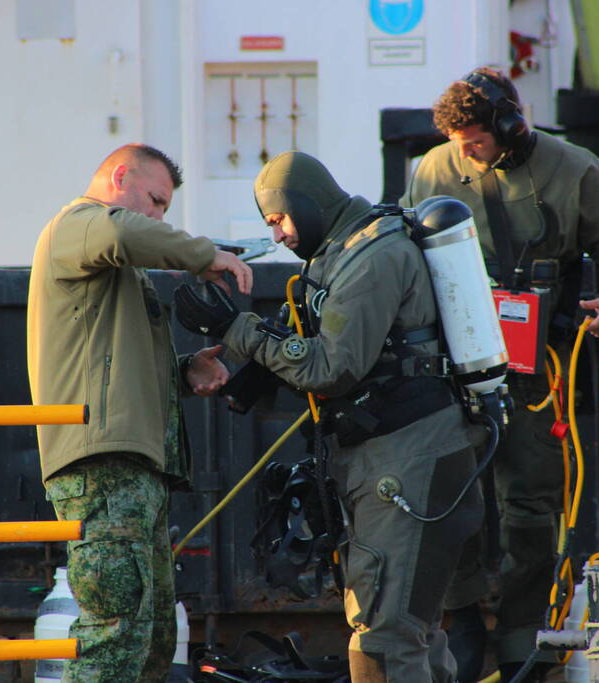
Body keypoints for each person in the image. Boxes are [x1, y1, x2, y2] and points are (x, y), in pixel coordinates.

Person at [175, 150, 484, 682]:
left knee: (387, 636)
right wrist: (251, 374)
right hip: (393, 457)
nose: (278, 236)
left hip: (407, 461)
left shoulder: (371, 258)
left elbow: (332, 369)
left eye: (279, 220)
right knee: (413, 629)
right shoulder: (341, 255)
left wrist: (238, 328)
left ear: (307, 203)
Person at [400, 68, 599, 681]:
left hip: (542, 370)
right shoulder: (434, 170)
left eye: (476, 138)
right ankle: (460, 618)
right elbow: (404, 257)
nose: (466, 150)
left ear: (511, 123)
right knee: (450, 494)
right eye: (457, 139)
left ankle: (523, 637)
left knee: (533, 507)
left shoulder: (578, 171)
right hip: (457, 365)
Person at [26, 143, 253, 682]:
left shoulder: (113, 265)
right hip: (103, 465)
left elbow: (110, 363)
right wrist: (207, 254)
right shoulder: (80, 224)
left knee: (149, 636)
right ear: (120, 175)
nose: (154, 215)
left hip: (130, 466)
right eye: (153, 200)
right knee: (117, 633)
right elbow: (123, 231)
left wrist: (182, 370)